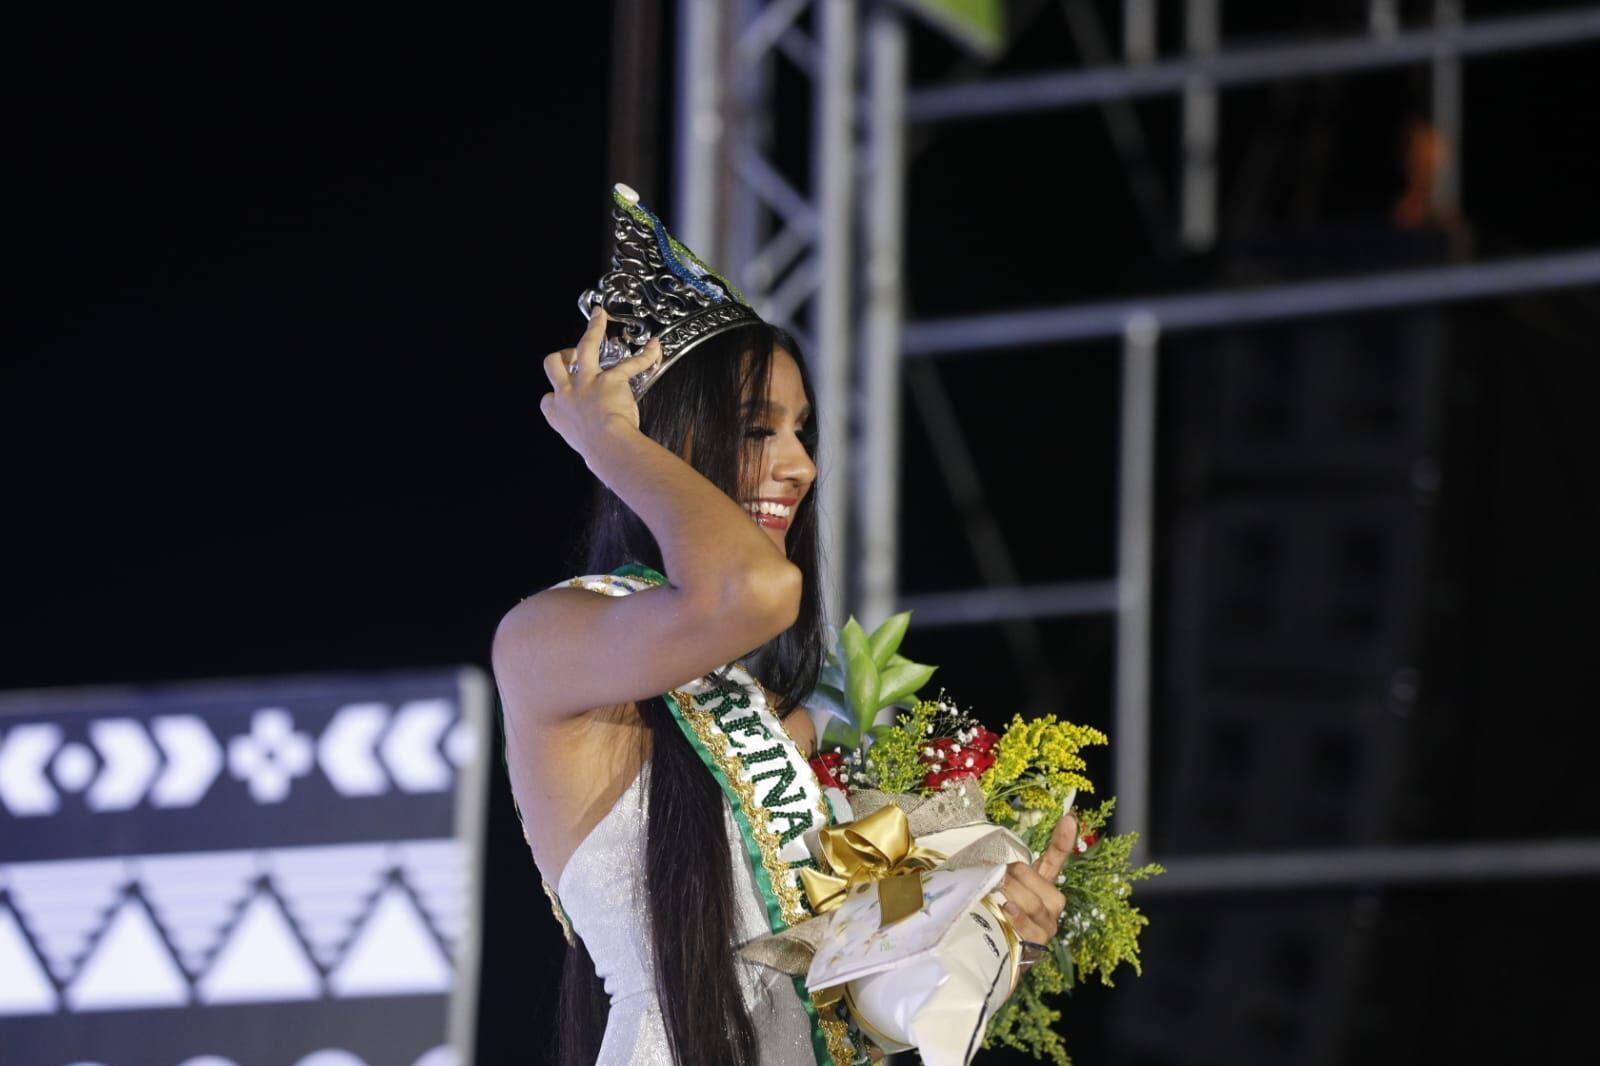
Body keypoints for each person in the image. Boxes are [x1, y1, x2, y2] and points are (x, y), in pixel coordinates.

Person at [492, 185, 1077, 1066]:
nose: (801, 465)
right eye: (758, 429)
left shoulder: (766, 715)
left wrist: (993, 926)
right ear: (669, 438)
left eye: (801, 430)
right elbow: (758, 592)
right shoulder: (547, 642)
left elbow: (844, 1001)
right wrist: (604, 439)